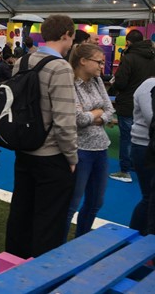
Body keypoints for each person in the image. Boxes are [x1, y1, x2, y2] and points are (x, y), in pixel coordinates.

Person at [5, 14, 78, 259]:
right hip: (50, 154)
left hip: (23, 147)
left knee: (21, 211)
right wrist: (72, 157)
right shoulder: (60, 67)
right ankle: (41, 273)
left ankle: (13, 261)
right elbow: (65, 121)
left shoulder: (23, 61)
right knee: (50, 219)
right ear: (67, 34)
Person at [65, 43, 114, 239]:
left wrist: (96, 115)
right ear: (83, 61)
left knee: (96, 202)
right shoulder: (69, 84)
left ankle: (80, 241)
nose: (102, 66)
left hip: (101, 148)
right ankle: (56, 248)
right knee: (72, 204)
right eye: (99, 62)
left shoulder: (97, 81)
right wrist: (97, 113)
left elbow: (110, 109)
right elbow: (78, 119)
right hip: (80, 151)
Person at [110, 29, 155, 183]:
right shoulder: (152, 56)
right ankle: (137, 166)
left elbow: (121, 82)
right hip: (149, 103)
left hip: (129, 103)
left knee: (126, 138)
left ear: (128, 42)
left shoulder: (129, 58)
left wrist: (114, 84)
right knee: (144, 137)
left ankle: (124, 170)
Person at [129, 77, 155, 236]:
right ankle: (133, 238)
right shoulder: (149, 85)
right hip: (144, 147)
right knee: (149, 198)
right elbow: (151, 119)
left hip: (148, 146)